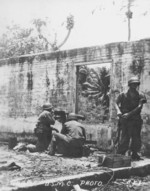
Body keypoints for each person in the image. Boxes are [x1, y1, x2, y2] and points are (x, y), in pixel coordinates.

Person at [115, 76, 147, 160]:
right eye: (133, 84)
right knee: (125, 137)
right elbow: (116, 103)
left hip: (135, 118)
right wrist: (118, 111)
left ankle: (135, 153)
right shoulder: (123, 94)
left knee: (136, 137)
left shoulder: (141, 95)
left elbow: (140, 107)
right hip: (125, 120)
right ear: (129, 85)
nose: (134, 86)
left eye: (136, 84)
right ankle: (121, 154)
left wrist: (129, 114)